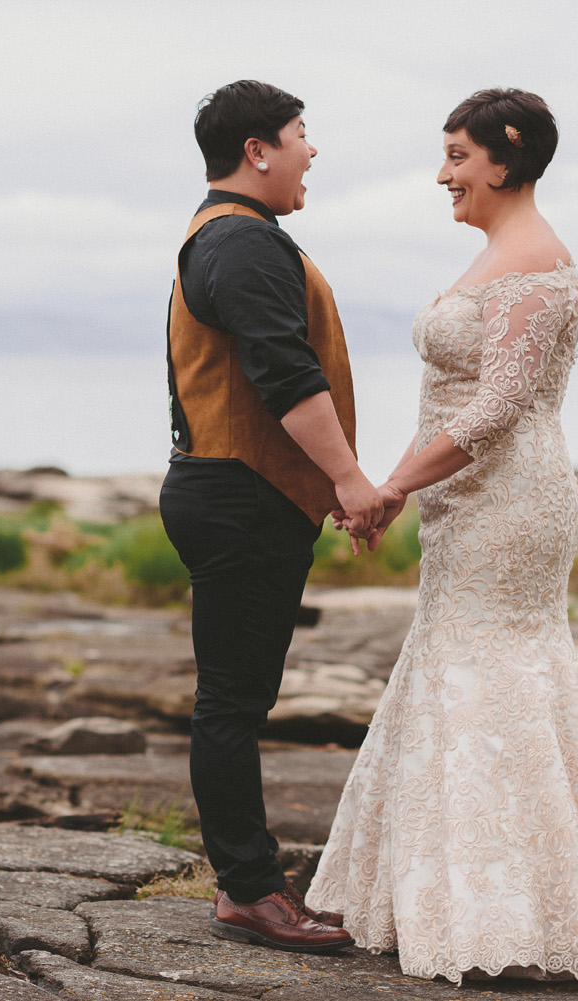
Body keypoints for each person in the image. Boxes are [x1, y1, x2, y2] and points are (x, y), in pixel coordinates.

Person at [307, 88, 578, 983]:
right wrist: (396, 493)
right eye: (446, 156)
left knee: (499, 676)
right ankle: (457, 897)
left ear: (507, 155)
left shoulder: (537, 262)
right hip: (462, 501)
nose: (444, 173)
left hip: (512, 504)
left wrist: (389, 487)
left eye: (457, 156)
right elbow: (451, 404)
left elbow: (497, 408)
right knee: (456, 669)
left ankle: (519, 913)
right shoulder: (496, 254)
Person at [159, 80, 380, 953]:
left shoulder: (230, 237)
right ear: (258, 149)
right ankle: (249, 890)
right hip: (238, 495)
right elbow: (287, 377)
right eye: (299, 134)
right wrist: (351, 483)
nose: (310, 150)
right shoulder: (241, 244)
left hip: (235, 490)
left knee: (237, 696)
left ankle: (249, 882)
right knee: (233, 702)